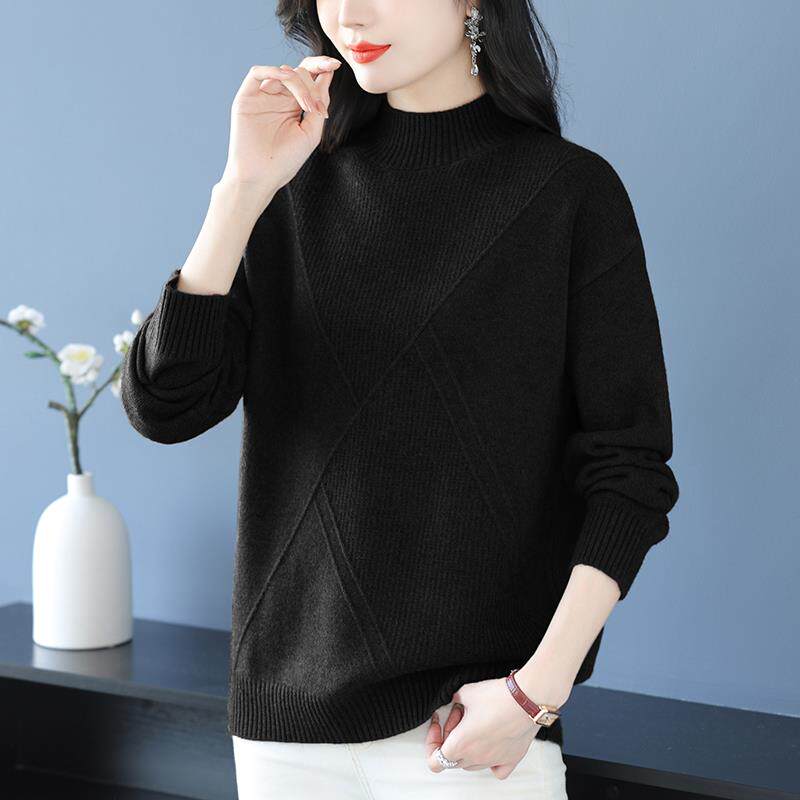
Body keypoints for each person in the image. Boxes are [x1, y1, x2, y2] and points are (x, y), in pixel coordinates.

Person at [120, 0, 680, 797]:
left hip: (470, 731)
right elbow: (164, 407)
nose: (351, 13)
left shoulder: (569, 194)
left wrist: (535, 692)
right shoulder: (289, 180)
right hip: (285, 734)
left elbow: (630, 471)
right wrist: (241, 189)